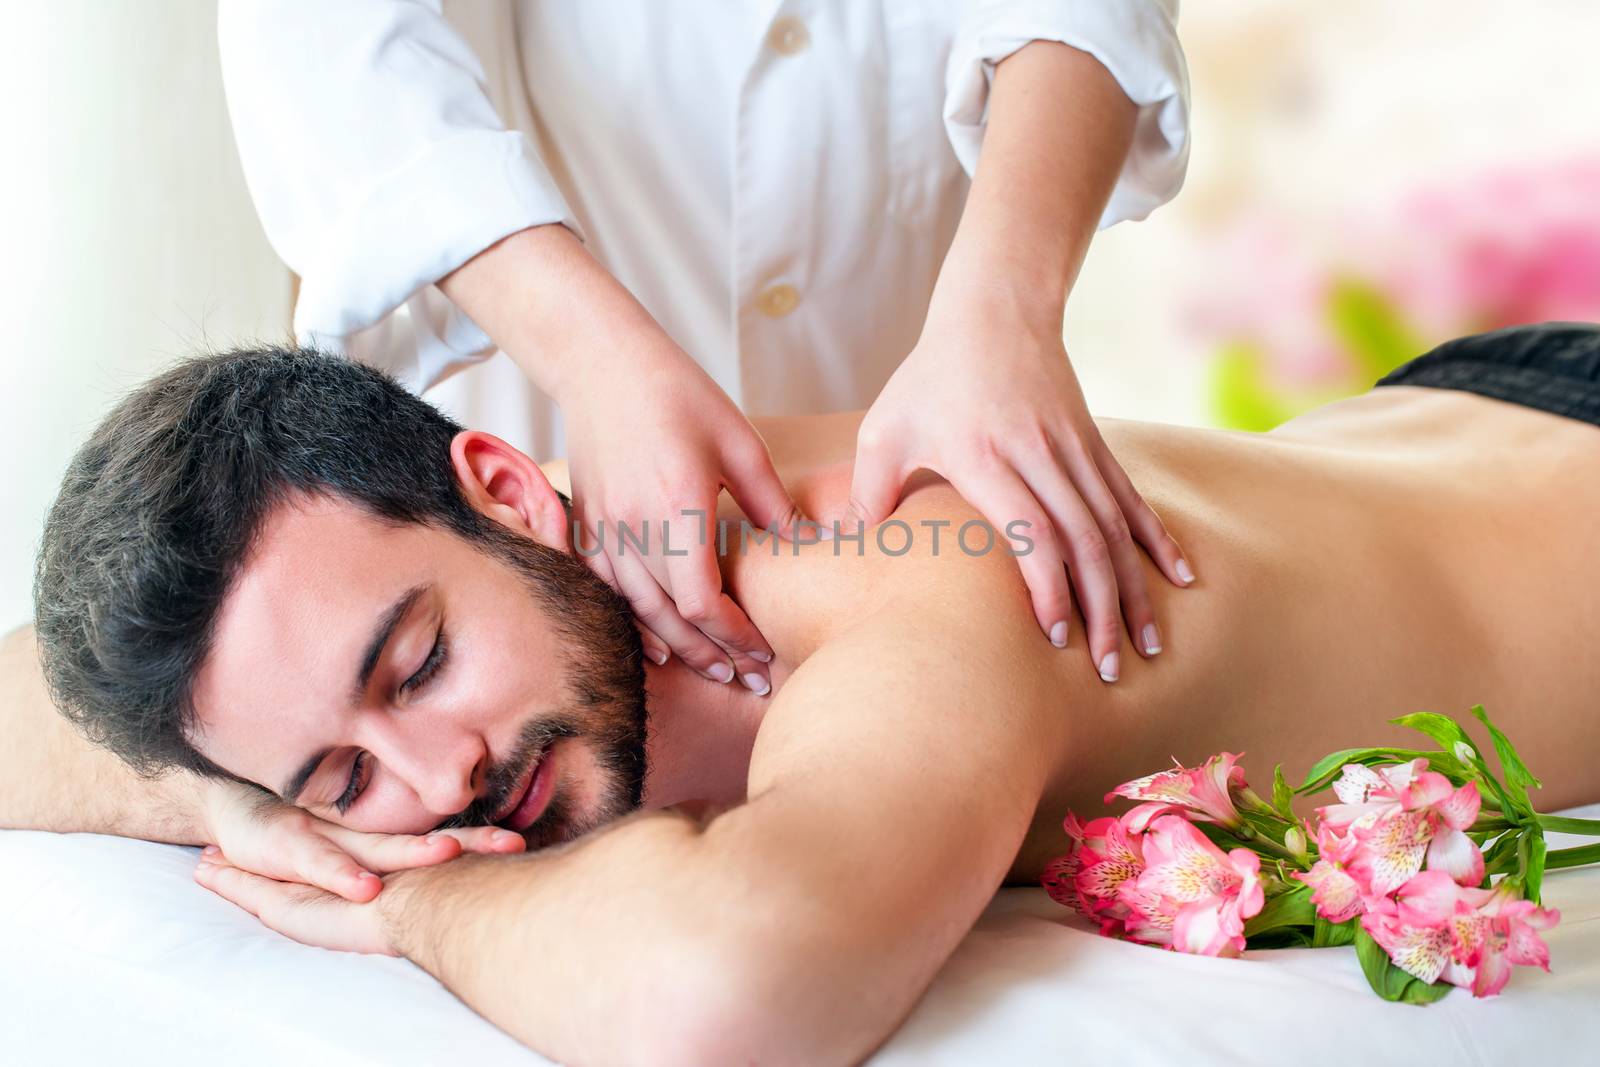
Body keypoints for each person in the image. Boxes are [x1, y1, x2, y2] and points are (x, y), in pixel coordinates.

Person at [8, 322, 1600, 1063]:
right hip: (1398, 431)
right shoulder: (515, 585)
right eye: (343, 777)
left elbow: (733, 996)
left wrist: (402, 905)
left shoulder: (914, 578)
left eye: (415, 665)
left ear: (509, 484)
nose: (439, 779)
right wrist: (235, 789)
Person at [217, 1, 1196, 695]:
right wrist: (591, 356)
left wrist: (1005, 312)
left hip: (903, 465)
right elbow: (323, 35)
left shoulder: (929, 645)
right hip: (534, 427)